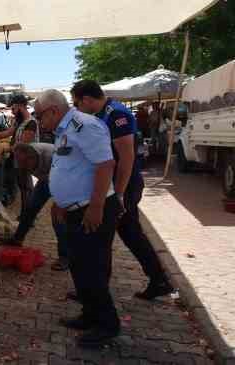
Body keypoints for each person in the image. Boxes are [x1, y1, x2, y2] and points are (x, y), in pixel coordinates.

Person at [71, 80, 174, 301]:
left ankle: (95, 292)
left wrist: (118, 194)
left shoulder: (117, 114)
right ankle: (159, 280)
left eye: (77, 103)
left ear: (87, 99)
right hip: (116, 184)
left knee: (102, 237)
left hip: (123, 184)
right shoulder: (101, 115)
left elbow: (126, 158)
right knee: (131, 234)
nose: (77, 108)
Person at [36, 89, 121, 347]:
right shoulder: (64, 130)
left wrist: (95, 207)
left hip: (92, 210)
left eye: (40, 116)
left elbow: (105, 165)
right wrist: (60, 202)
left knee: (92, 269)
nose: (39, 121)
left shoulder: (84, 125)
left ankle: (107, 325)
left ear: (53, 110)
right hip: (74, 210)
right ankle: (89, 314)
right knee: (79, 267)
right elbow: (67, 166)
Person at [0, 142, 69, 270]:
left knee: (58, 220)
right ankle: (17, 239)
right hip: (45, 181)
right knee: (30, 209)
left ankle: (65, 257)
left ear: (31, 157)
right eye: (18, 162)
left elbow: (65, 176)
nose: (21, 165)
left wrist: (59, 203)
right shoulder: (23, 155)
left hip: (62, 181)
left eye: (23, 162)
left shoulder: (52, 155)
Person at [0, 94, 38, 215]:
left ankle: (27, 216)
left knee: (26, 188)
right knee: (22, 187)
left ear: (21, 107)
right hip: (18, 160)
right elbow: (7, 133)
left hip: (26, 161)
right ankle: (25, 214)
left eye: (13, 109)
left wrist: (6, 148)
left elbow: (24, 145)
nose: (12, 111)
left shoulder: (31, 123)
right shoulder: (19, 122)